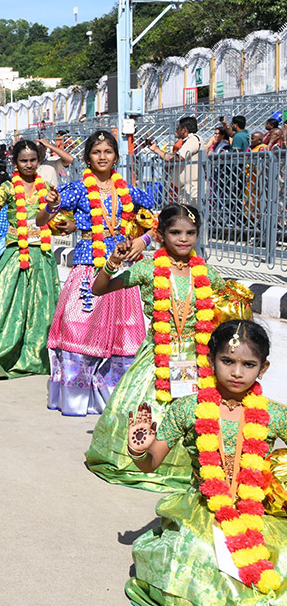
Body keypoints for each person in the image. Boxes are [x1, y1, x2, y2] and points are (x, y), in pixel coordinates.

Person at [123, 320, 286, 606]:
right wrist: (138, 450)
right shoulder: (187, 410)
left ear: (263, 368)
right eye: (228, 361)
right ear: (210, 361)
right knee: (195, 552)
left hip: (253, 512)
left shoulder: (275, 414)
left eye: (248, 364)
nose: (237, 372)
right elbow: (151, 462)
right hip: (202, 509)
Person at [83, 204, 223, 491]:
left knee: (196, 414)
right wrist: (112, 263)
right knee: (151, 409)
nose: (183, 239)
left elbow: (228, 305)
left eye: (190, 233)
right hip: (156, 357)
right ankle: (144, 460)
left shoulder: (206, 273)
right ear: (159, 235)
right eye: (175, 232)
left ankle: (196, 466)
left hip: (197, 357)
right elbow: (99, 289)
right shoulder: (148, 269)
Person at [47, 130, 157, 416]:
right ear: (87, 157)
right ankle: (75, 395)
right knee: (78, 324)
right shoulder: (77, 189)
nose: (102, 157)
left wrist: (140, 241)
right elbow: (45, 217)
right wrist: (50, 204)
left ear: (116, 157)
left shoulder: (129, 191)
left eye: (108, 152)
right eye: (96, 152)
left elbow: (156, 222)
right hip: (88, 263)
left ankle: (116, 396)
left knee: (122, 333)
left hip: (121, 269)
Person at [0, 140, 59, 380]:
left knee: (42, 309)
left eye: (33, 160)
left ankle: (36, 357)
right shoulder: (7, 188)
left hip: (42, 255)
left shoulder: (46, 187)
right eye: (23, 160)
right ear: (15, 162)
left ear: (39, 160)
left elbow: (45, 221)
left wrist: (51, 206)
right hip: (15, 252)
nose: (28, 165)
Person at [148, 116, 202, 203]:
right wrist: (156, 149)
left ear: (184, 129)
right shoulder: (188, 140)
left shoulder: (193, 139)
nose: (176, 130)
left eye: (178, 128)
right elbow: (173, 157)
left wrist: (159, 152)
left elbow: (178, 158)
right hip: (185, 187)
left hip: (192, 188)